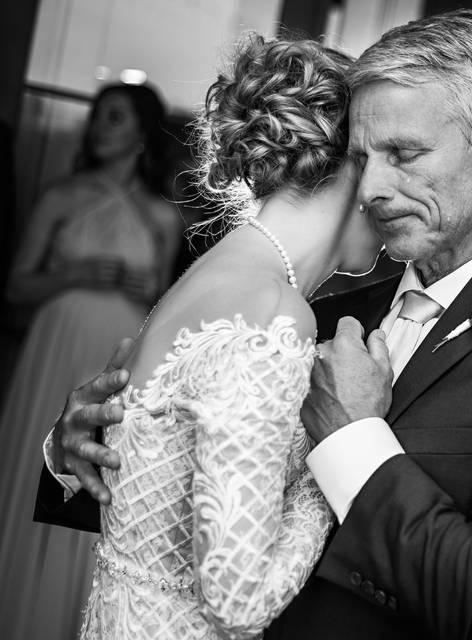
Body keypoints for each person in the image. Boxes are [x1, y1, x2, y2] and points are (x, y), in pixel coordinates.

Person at [38, 10, 472, 640]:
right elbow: (187, 531)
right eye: (361, 157)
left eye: (405, 153)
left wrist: (355, 437)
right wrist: (85, 455)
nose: (374, 187)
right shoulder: (319, 316)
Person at [61, 36, 379, 638]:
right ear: (351, 162)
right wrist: (334, 451)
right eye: (386, 154)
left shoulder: (205, 281)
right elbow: (238, 602)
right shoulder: (273, 313)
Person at [0, 82, 181, 638]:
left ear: (142, 134)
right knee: (43, 452)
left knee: (94, 480)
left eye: (115, 117)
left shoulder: (163, 217)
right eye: (98, 116)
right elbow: (14, 286)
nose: (100, 126)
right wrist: (78, 274)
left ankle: (64, 611)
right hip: (55, 348)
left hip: (115, 357)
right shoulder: (62, 197)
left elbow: (166, 309)